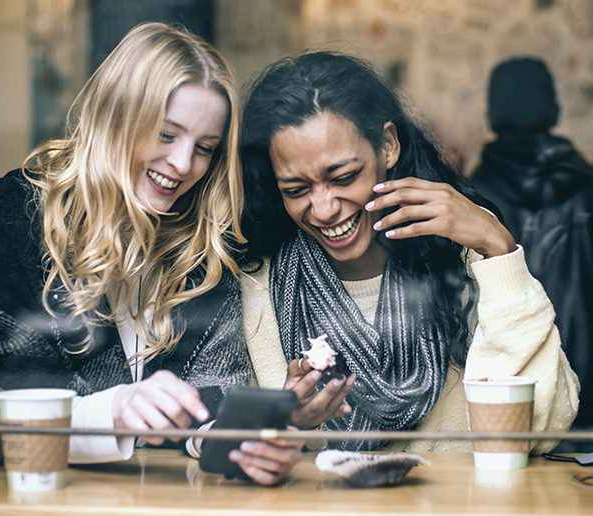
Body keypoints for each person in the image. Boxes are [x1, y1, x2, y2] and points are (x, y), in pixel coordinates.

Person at [0, 22, 301, 485]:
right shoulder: (15, 211)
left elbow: (211, 393)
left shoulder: (201, 239)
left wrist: (230, 440)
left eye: (204, 148)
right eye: (165, 134)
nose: (182, 164)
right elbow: (0, 389)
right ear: (117, 116)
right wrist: (114, 410)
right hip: (33, 502)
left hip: (151, 509)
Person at [238, 50, 579, 453]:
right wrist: (287, 420)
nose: (325, 208)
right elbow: (245, 451)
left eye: (344, 176)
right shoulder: (262, 283)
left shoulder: (461, 257)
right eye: (296, 190)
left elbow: (544, 423)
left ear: (387, 146)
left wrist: (498, 250)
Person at [470, 57, 593, 441]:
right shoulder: (587, 188)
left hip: (503, 386)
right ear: (553, 107)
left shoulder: (471, 200)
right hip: (586, 384)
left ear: (492, 113)